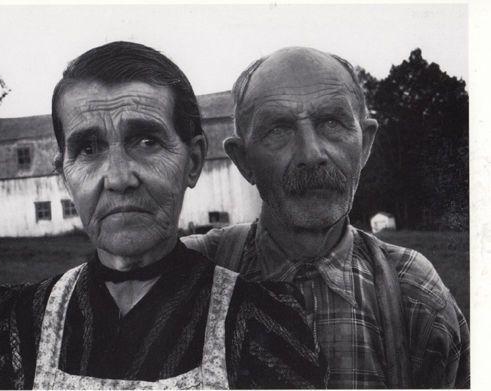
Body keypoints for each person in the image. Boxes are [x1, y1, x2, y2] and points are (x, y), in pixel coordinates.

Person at [0, 41, 327, 390]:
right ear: (64, 174)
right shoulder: (15, 323)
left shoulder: (262, 324)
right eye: (88, 148)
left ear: (192, 162)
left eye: (147, 142)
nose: (118, 178)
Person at [182, 47, 469, 389]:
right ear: (244, 161)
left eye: (332, 123)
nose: (311, 154)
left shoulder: (416, 295)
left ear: (365, 146)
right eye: (279, 129)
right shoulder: (187, 275)